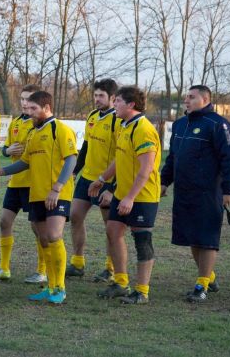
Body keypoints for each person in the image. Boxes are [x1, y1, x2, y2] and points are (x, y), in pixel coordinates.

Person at [161, 84, 230, 303]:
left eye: (191, 97)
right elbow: (173, 158)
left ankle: (201, 285)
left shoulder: (219, 124)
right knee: (192, 237)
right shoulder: (179, 125)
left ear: (205, 100)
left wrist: (229, 189)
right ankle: (209, 276)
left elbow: (229, 158)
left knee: (206, 239)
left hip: (208, 193)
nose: (186, 100)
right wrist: (164, 181)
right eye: (186, 96)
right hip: (184, 192)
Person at [0, 91, 77, 304]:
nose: (29, 112)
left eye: (34, 109)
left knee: (53, 235)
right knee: (44, 239)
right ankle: (51, 286)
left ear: (47, 107)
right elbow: (25, 162)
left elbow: (71, 159)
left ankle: (60, 288)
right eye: (28, 108)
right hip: (36, 194)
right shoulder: (33, 133)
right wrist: (0, 172)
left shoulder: (60, 129)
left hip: (58, 194)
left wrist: (57, 188)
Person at [89, 85, 161, 305]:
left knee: (142, 240)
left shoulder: (143, 129)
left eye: (118, 101)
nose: (115, 104)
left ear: (131, 105)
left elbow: (146, 169)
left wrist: (130, 197)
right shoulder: (123, 125)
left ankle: (142, 291)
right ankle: (121, 283)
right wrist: (102, 179)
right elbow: (119, 160)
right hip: (122, 193)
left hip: (142, 196)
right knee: (113, 231)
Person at [0, 84, 47, 284]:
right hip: (15, 182)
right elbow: (5, 149)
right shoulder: (15, 122)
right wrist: (7, 151)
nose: (24, 103)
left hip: (33, 183)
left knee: (37, 227)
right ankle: (4, 268)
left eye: (28, 99)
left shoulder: (40, 124)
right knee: (4, 221)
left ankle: (42, 270)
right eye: (22, 99)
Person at [67, 79, 120, 282]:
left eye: (101, 96)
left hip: (107, 181)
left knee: (110, 227)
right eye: (95, 95)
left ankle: (110, 268)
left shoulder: (118, 120)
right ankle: (78, 263)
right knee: (75, 216)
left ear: (113, 98)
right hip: (87, 178)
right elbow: (86, 147)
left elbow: (122, 156)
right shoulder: (92, 116)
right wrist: (75, 171)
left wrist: (113, 186)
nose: (96, 99)